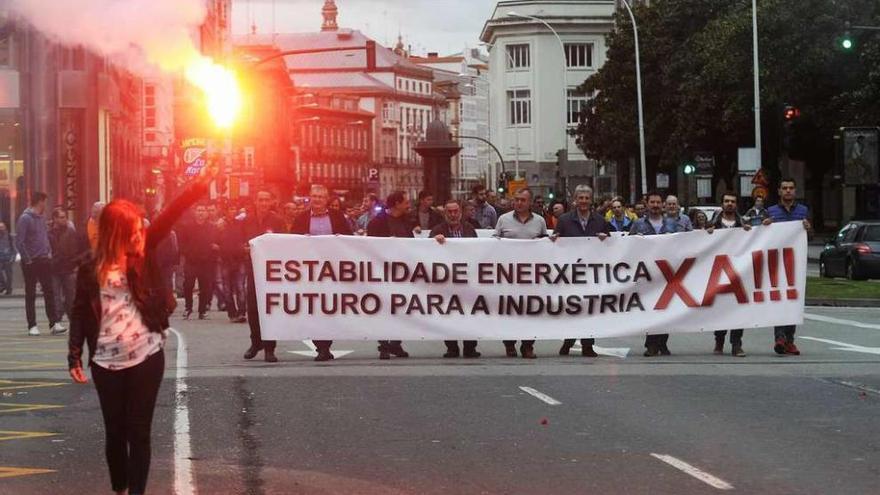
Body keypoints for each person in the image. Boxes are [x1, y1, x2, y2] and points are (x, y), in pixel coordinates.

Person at [67, 163, 216, 495]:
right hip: (106, 362)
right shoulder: (89, 269)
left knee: (140, 431)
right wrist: (74, 356)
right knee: (115, 432)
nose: (140, 233)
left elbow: (170, 213)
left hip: (147, 356)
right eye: (133, 229)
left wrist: (198, 184)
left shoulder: (143, 252)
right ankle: (120, 487)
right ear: (116, 231)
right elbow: (79, 313)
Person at [291, 184, 354, 361]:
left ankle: (326, 345)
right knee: (313, 307)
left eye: (320, 197)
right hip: (309, 271)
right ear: (309, 197)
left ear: (326, 200)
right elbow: (291, 241)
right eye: (314, 196)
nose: (317, 200)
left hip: (332, 270)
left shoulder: (337, 217)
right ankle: (321, 346)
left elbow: (349, 238)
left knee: (329, 307)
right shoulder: (301, 218)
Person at [552, 185, 609, 357]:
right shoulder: (564, 220)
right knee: (572, 309)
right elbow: (554, 243)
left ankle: (587, 345)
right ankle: (568, 340)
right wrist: (554, 239)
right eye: (580, 198)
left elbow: (613, 245)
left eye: (586, 198)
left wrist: (606, 239)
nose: (583, 201)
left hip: (592, 274)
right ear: (575, 200)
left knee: (590, 310)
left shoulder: (600, 220)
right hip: (569, 274)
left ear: (591, 200)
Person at [495, 188, 548, 358]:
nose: (519, 203)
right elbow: (493, 243)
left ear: (529, 202)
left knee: (530, 312)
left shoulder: (540, 221)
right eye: (516, 199)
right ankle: (509, 344)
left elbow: (546, 244)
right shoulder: (503, 219)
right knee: (508, 311)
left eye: (523, 200)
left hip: (531, 276)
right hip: (508, 275)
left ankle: (528, 345)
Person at [766, 178, 811, 356]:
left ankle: (790, 340)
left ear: (795, 191)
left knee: (793, 300)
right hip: (776, 263)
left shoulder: (803, 211)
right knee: (779, 299)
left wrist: (808, 228)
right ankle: (780, 338)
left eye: (791, 188)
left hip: (796, 263)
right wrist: (765, 226)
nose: (788, 191)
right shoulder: (771, 212)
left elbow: (810, 236)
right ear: (779, 191)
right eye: (784, 188)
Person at [367, 191, 415, 360]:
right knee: (384, 310)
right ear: (396, 203)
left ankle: (396, 343)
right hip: (382, 273)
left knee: (401, 309)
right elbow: (370, 247)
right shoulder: (377, 223)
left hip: (402, 273)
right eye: (406, 202)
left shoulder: (406, 221)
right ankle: (384, 345)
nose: (408, 205)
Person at [430, 198, 480, 358]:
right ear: (445, 213)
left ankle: (470, 347)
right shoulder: (437, 230)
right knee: (448, 314)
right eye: (449, 212)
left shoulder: (470, 229)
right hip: (446, 281)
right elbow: (426, 252)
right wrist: (434, 242)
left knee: (470, 313)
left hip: (467, 280)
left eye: (455, 211)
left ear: (460, 212)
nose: (453, 215)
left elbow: (479, 251)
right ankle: (451, 347)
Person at [630, 191, 677, 357]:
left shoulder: (672, 224)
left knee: (666, 309)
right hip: (646, 274)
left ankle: (663, 343)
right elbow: (628, 246)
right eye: (652, 202)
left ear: (662, 205)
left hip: (667, 274)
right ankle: (651, 344)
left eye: (658, 202)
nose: (655, 206)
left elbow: (684, 244)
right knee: (650, 310)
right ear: (647, 204)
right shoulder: (638, 224)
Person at [242, 190, 286, 363]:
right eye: (260, 200)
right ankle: (255, 343)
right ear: (255, 201)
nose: (263, 203)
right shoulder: (246, 221)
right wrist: (242, 249)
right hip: (253, 270)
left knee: (269, 308)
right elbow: (238, 241)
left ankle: (269, 348)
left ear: (271, 202)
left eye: (266, 200)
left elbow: (284, 243)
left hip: (271, 273)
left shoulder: (278, 221)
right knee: (252, 308)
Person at [707, 192, 751, 357]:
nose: (730, 204)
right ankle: (719, 340)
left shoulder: (743, 224)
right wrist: (707, 233)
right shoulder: (713, 224)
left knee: (738, 310)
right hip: (718, 272)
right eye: (726, 201)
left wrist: (750, 232)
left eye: (732, 201)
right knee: (721, 309)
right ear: (722, 204)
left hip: (739, 272)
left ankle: (736, 344)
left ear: (736, 204)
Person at [16, 192, 61, 336]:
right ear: (40, 202)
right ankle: (32, 325)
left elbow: (44, 237)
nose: (46, 205)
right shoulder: (25, 218)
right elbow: (20, 241)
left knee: (49, 291)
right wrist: (27, 259)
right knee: (31, 293)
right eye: (45, 202)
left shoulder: (41, 218)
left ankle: (54, 323)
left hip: (44, 259)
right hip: (30, 261)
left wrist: (48, 251)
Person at [178, 205, 219, 320]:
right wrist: (187, 252)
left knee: (205, 287)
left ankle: (202, 310)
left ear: (207, 213)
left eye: (203, 210)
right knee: (188, 285)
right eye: (199, 210)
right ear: (194, 212)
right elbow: (182, 243)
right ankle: (188, 308)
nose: (201, 213)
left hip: (206, 262)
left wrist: (213, 251)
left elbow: (216, 242)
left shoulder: (211, 227)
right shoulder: (187, 226)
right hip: (191, 261)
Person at [49, 207, 87, 327]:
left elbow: (79, 249)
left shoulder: (71, 232)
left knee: (71, 296)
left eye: (65, 217)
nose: (64, 219)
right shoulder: (49, 233)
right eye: (61, 217)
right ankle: (57, 321)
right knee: (55, 296)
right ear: (54, 219)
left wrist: (77, 265)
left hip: (69, 268)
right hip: (54, 268)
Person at [218, 203, 247, 323]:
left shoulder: (240, 224)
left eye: (234, 208)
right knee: (227, 289)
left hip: (239, 259)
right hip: (225, 260)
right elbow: (216, 240)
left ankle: (241, 312)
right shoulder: (221, 225)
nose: (232, 211)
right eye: (230, 208)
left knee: (240, 287)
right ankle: (232, 313)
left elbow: (244, 238)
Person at [0, 222, 15, 295]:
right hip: (0, 258)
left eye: (2, 227)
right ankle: (3, 285)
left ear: (5, 227)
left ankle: (9, 289)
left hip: (8, 258)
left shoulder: (9, 236)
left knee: (9, 275)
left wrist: (13, 258)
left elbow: (14, 249)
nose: (0, 229)